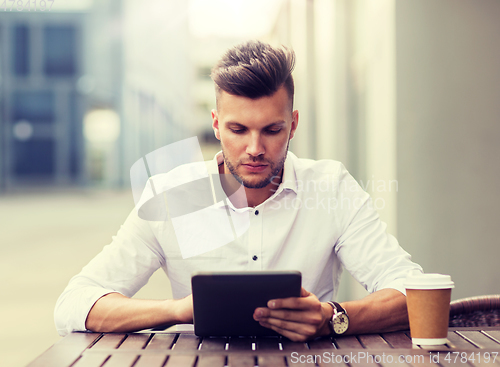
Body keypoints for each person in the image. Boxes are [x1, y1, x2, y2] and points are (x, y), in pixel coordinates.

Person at [55, 40, 422, 341]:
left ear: (293, 125)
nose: (255, 148)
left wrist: (333, 317)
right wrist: (180, 310)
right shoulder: (169, 196)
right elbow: (74, 304)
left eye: (271, 130)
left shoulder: (332, 188)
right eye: (238, 129)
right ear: (216, 125)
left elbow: (415, 294)